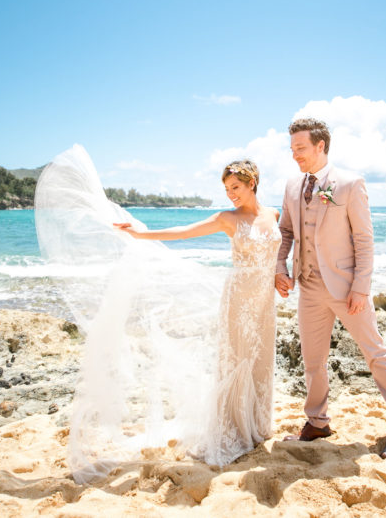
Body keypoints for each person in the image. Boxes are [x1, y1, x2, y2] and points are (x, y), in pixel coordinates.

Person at [115, 159, 280, 466]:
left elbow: (281, 248)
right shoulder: (226, 218)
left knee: (260, 359)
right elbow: (183, 233)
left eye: (236, 187)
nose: (231, 194)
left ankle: (256, 424)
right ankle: (232, 427)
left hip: (265, 301)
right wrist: (140, 233)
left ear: (252, 183)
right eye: (227, 188)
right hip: (239, 298)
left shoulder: (274, 213)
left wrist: (281, 272)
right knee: (237, 359)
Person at [274, 117, 386, 459]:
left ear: (321, 146)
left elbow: (365, 240)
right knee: (312, 360)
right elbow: (286, 233)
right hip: (308, 288)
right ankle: (318, 421)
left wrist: (360, 288)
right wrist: (279, 266)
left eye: (301, 148)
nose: (295, 155)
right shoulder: (293, 185)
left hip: (346, 288)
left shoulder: (350, 184)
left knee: (375, 353)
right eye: (292, 149)